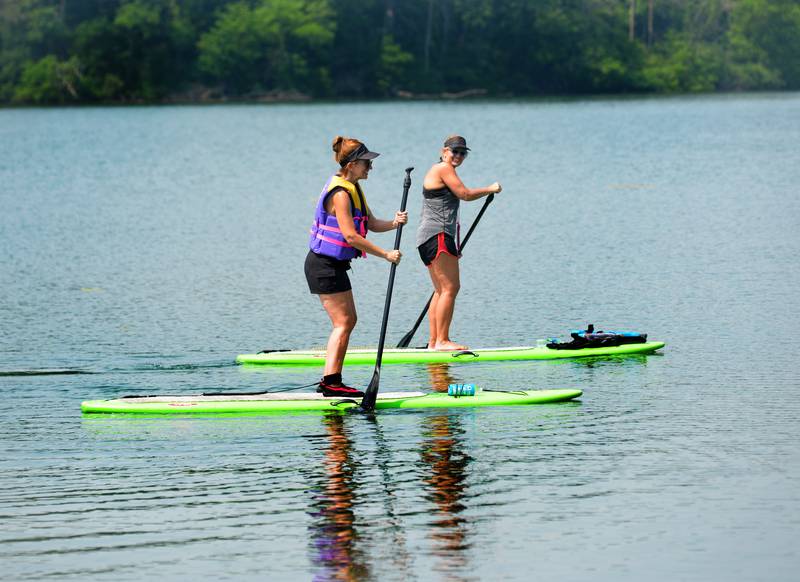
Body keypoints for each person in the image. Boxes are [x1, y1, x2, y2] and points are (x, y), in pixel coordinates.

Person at [305, 136, 408, 397]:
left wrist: (394, 223)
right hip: (323, 265)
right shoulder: (340, 193)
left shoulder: (353, 188)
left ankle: (331, 380)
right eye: (366, 163)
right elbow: (351, 236)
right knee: (344, 322)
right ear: (351, 164)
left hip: (334, 265)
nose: (370, 167)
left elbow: (371, 223)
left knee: (348, 321)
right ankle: (331, 382)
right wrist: (385, 254)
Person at [416, 135, 501, 350]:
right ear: (444, 151)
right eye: (455, 151)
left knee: (440, 290)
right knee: (450, 288)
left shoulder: (438, 170)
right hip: (438, 236)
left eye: (463, 153)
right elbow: (464, 194)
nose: (459, 156)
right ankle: (443, 341)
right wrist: (490, 189)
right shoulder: (443, 168)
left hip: (429, 238)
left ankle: (435, 342)